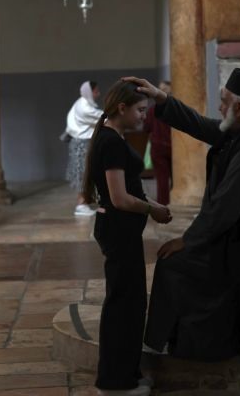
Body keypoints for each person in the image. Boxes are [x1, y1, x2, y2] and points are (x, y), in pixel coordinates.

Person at [126, 69, 240, 361]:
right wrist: (162, 99)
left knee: (174, 264)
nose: (219, 108)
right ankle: (172, 339)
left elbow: (224, 207)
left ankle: (182, 347)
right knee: (180, 260)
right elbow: (201, 125)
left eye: (223, 101)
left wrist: (188, 240)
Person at [82, 80, 172, 396]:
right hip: (119, 233)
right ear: (122, 108)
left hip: (122, 231)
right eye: (140, 110)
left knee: (131, 305)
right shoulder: (111, 142)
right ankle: (115, 383)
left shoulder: (114, 136)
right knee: (124, 306)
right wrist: (154, 208)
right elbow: (119, 198)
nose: (143, 117)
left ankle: (127, 375)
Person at [65, 81, 103, 216]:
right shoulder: (84, 106)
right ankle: (81, 204)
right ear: (89, 92)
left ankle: (86, 200)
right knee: (82, 173)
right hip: (82, 143)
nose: (98, 93)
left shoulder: (82, 103)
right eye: (96, 91)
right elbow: (100, 117)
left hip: (81, 142)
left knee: (85, 172)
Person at [144, 80, 172, 205]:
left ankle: (163, 203)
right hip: (174, 147)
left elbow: (146, 128)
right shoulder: (175, 109)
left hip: (157, 146)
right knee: (176, 176)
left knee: (162, 178)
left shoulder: (152, 110)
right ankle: (175, 199)